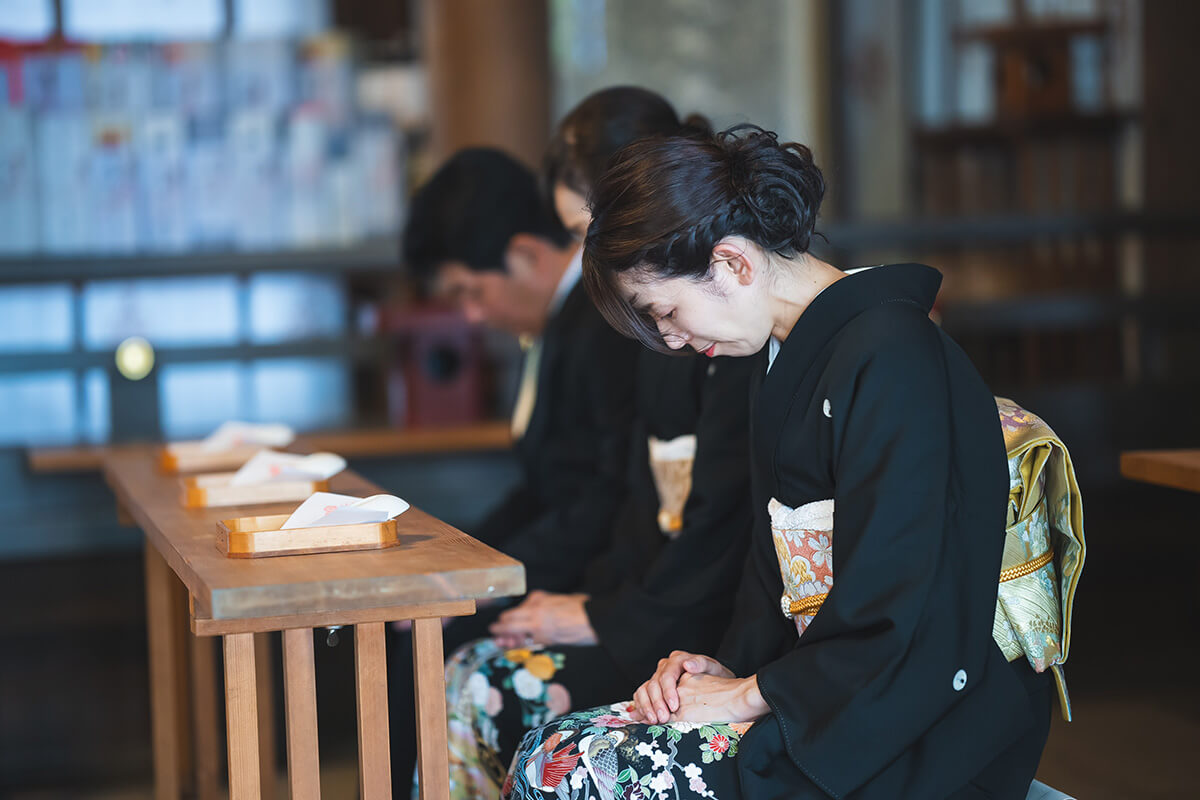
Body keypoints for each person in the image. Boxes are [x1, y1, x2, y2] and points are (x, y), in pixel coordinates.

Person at [504, 125, 1054, 800]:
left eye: (666, 311)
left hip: (913, 723)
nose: (671, 340)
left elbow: (899, 602)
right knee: (551, 748)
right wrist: (726, 670)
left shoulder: (895, 353)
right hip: (822, 691)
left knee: (563, 768)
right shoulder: (783, 356)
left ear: (732, 263)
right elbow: (772, 579)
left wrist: (749, 694)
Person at [430, 87, 757, 800]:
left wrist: (608, 619)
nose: (588, 263)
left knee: (495, 699)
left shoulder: (726, 334)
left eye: (589, 234)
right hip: (654, 606)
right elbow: (638, 504)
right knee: (464, 666)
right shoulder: (663, 335)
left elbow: (724, 529)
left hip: (698, 624)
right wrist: (593, 605)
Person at [390, 148, 639, 793]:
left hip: (601, 580)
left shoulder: (602, 321)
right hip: (567, 558)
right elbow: (543, 488)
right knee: (416, 629)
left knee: (436, 645)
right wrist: (463, 566)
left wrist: (488, 583)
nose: (472, 317)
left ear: (526, 255)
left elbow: (606, 496)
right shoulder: (563, 322)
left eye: (470, 292)